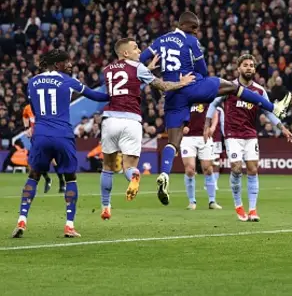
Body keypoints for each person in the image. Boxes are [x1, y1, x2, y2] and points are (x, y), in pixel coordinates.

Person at [139, 12, 291, 206]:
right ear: (186, 25)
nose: (196, 32)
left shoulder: (158, 41)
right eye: (194, 28)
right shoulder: (191, 41)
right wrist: (199, 86)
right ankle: (274, 107)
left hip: (171, 94)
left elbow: (138, 63)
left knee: (173, 141)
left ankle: (164, 174)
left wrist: (153, 75)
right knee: (233, 87)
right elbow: (202, 70)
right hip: (192, 86)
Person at [12, 49, 110, 238]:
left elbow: (33, 110)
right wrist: (119, 96)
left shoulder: (32, 82)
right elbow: (94, 95)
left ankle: (22, 220)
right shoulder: (67, 80)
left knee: (33, 176)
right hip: (62, 134)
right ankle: (69, 226)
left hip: (40, 134)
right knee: (70, 178)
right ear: (57, 64)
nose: (70, 65)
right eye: (67, 62)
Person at [99, 38, 195, 220]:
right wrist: (182, 83)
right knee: (130, 166)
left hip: (110, 119)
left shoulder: (107, 70)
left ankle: (106, 206)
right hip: (132, 121)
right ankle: (134, 177)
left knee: (108, 167)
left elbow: (126, 81)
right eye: (135, 48)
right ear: (126, 52)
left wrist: (147, 69)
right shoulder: (138, 68)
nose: (139, 51)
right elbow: (163, 86)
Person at [205, 54, 292, 222]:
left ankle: (253, 210)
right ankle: (239, 206)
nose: (249, 68)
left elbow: (269, 112)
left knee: (253, 169)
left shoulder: (259, 91)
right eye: (245, 65)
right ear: (238, 68)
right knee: (237, 169)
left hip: (250, 134)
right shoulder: (229, 87)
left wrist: (282, 128)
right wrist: (207, 124)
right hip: (232, 134)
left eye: (251, 66)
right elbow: (214, 104)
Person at [181, 103, 222, 210]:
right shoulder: (186, 98)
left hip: (204, 137)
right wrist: (182, 127)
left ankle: (212, 201)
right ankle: (192, 201)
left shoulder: (206, 97)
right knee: (190, 169)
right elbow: (177, 115)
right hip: (187, 138)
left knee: (208, 169)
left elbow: (215, 113)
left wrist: (212, 127)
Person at [23, 103, 65, 193]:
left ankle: (61, 182)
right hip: (36, 138)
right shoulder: (28, 108)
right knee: (36, 160)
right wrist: (27, 128)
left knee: (53, 160)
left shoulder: (46, 106)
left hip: (48, 136)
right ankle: (48, 179)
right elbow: (25, 116)